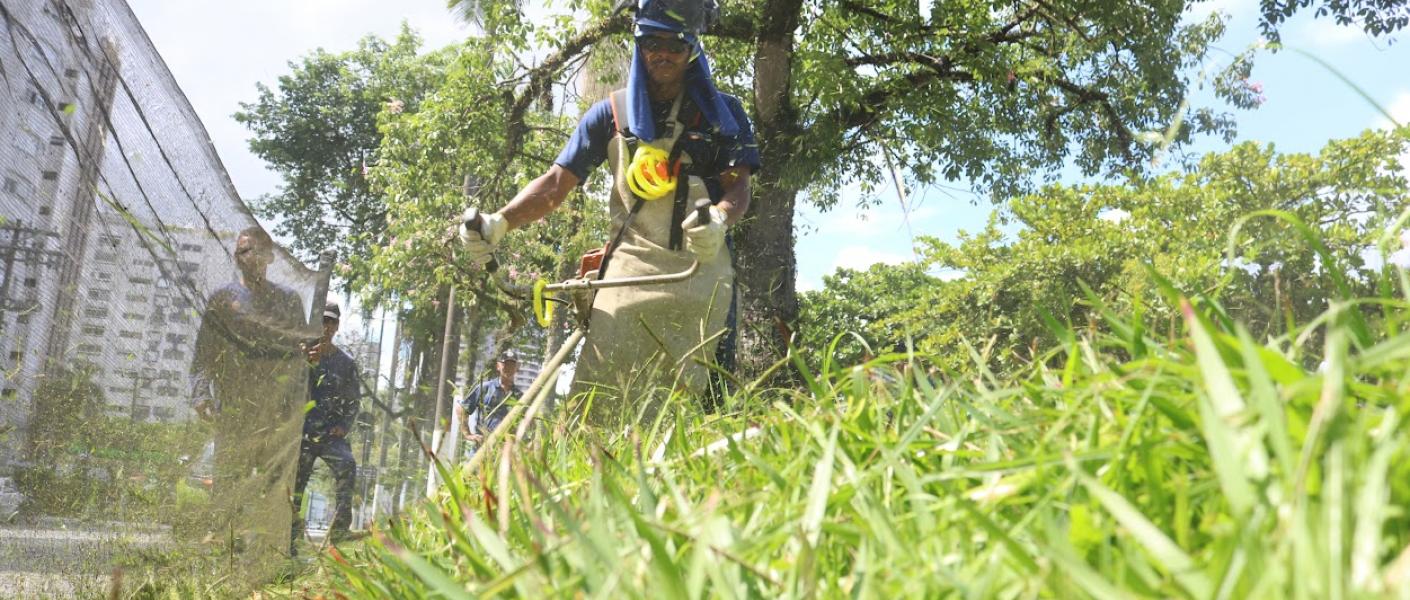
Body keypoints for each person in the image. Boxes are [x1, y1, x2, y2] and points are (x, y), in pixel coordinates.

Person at [458, 0, 760, 424]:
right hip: (629, 273)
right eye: (653, 42)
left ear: (691, 48)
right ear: (639, 44)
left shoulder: (722, 116)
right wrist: (501, 220)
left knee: (703, 412)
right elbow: (555, 185)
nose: (663, 53)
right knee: (597, 406)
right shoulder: (611, 115)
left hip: (701, 275)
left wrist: (722, 218)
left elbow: (738, 185)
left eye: (675, 44)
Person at [189, 226, 313, 564]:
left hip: (276, 413)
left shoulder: (287, 301)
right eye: (241, 252)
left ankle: (273, 555)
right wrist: (200, 394)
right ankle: (220, 554)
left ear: (269, 256)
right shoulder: (221, 300)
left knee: (275, 486)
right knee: (229, 483)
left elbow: (298, 350)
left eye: (253, 251)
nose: (246, 257)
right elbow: (204, 353)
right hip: (234, 410)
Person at [290, 302, 364, 551]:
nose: (326, 326)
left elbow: (354, 400)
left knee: (347, 465)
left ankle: (341, 530)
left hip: (331, 433)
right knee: (296, 482)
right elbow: (290, 388)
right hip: (303, 433)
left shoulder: (346, 363)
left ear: (337, 326)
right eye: (322, 321)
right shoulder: (300, 354)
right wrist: (307, 362)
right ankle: (290, 529)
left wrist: (344, 426)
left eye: (331, 322)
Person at [456, 350, 521, 446]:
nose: (509, 368)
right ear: (498, 366)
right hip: (482, 447)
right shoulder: (485, 388)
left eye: (512, 365)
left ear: (517, 368)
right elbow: (461, 409)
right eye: (505, 364)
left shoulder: (519, 396)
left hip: (504, 450)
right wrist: (467, 434)